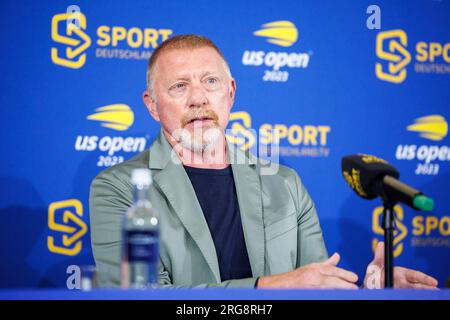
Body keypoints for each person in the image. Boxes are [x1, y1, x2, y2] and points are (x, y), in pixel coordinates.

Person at [89, 34, 438, 289]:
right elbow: (138, 296)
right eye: (179, 86)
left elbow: (315, 287)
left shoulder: (284, 183)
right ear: (152, 105)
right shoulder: (118, 189)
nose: (198, 98)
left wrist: (374, 290)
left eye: (211, 82)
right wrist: (271, 288)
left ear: (231, 94)